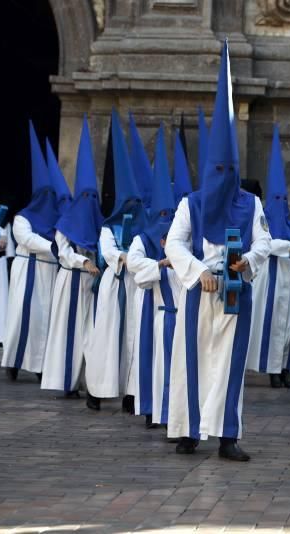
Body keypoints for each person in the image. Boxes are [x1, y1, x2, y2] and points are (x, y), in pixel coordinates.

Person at [164, 40, 271, 460]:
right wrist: (197, 271)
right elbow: (174, 242)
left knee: (229, 363)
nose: (223, 177)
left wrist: (248, 261)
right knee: (191, 359)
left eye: (229, 170)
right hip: (198, 289)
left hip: (235, 292)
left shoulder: (251, 203)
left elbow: (263, 240)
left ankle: (227, 434)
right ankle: (189, 430)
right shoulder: (190, 203)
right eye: (217, 170)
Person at [84, 109, 148, 411]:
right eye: (128, 203)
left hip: (136, 287)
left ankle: (130, 394)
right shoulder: (109, 227)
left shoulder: (145, 229)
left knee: (133, 340)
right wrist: (127, 257)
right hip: (115, 285)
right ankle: (96, 389)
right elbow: (109, 253)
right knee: (108, 339)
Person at [41, 116, 103, 395]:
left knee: (89, 333)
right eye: (85, 195)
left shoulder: (98, 222)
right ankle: (65, 382)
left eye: (94, 196)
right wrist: (84, 261)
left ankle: (86, 381)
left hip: (91, 286)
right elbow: (64, 253)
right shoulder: (65, 223)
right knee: (68, 331)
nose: (90, 201)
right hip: (70, 282)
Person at [127, 125, 182, 428]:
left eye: (170, 216)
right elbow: (135, 265)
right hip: (152, 307)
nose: (167, 222)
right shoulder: (141, 240)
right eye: (162, 216)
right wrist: (160, 264)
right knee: (152, 358)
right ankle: (150, 408)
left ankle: (171, 410)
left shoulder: (181, 239)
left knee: (174, 363)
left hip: (178, 309)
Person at [246, 125, 290, 388]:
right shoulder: (260, 219)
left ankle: (285, 367)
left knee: (288, 323)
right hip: (268, 279)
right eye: (276, 198)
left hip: (288, 278)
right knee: (270, 324)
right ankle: (271, 368)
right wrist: (286, 247)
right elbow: (263, 242)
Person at [2, 123, 61, 380]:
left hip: (49, 273)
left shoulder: (58, 219)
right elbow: (25, 238)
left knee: (45, 319)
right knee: (22, 317)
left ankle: (40, 365)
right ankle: (13, 361)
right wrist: (51, 246)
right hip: (28, 270)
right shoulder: (22, 218)